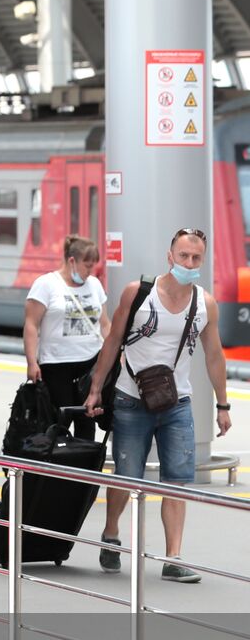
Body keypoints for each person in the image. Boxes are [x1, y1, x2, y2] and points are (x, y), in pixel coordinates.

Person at [83, 228, 232, 583]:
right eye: (184, 256)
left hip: (177, 402)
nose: (190, 263)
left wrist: (222, 405)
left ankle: (173, 557)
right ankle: (112, 533)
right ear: (170, 256)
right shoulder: (139, 293)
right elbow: (113, 341)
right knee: (127, 475)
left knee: (177, 481)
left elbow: (215, 356)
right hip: (131, 400)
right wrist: (94, 389)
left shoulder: (204, 303)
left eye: (196, 258)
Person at [23, 235, 108, 441]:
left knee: (87, 421)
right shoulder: (46, 284)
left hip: (89, 363)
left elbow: (104, 323)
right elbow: (31, 324)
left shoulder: (94, 285)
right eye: (86, 266)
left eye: (93, 267)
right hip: (56, 364)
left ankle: (84, 470)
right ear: (72, 261)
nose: (89, 272)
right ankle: (55, 470)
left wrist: (112, 355)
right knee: (58, 422)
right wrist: (31, 362)